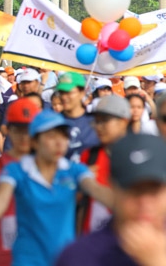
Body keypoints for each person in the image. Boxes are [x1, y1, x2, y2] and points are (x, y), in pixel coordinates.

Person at [0, 110, 113, 266]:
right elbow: (0, 201)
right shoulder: (16, 171)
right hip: (27, 260)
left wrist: (126, 205)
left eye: (63, 136)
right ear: (34, 142)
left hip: (65, 259)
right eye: (51, 136)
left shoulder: (75, 170)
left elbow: (95, 189)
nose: (59, 142)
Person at [56, 134, 166, 265]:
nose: (144, 202)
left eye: (154, 190)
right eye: (133, 190)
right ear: (113, 187)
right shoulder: (80, 257)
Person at [0, 98, 40, 266]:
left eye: (29, 130)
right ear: (7, 130)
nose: (24, 136)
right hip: (4, 252)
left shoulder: (48, 164)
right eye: (18, 129)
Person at [79, 95, 130, 235]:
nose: (98, 127)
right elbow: (81, 203)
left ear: (123, 122)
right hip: (92, 240)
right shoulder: (89, 155)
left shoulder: (137, 155)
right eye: (96, 121)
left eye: (104, 121)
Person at [56, 72, 99, 162]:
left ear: (82, 93)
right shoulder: (54, 123)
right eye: (61, 92)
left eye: (69, 93)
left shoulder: (96, 123)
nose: (64, 97)